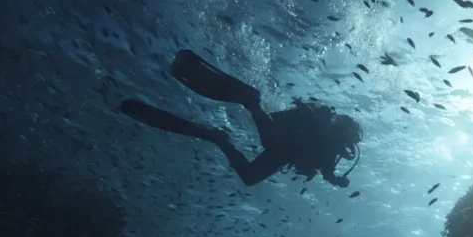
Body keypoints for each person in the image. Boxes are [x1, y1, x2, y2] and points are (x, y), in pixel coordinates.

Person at [119, 50, 361, 188]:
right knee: (271, 141)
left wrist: (338, 180)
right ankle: (251, 101)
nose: (345, 145)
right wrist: (305, 110)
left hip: (281, 152)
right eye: (346, 138)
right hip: (279, 135)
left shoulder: (330, 153)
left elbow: (328, 173)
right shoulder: (323, 122)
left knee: (250, 177)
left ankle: (219, 139)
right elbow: (306, 111)